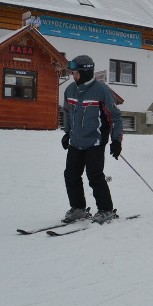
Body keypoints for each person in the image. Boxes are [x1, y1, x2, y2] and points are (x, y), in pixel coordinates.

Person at [61, 55, 123, 224]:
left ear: (86, 72)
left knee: (94, 175)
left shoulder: (101, 90)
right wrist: (67, 133)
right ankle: (78, 208)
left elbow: (115, 116)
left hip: (95, 141)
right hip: (76, 141)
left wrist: (116, 140)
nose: (73, 76)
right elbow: (67, 113)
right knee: (71, 175)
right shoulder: (70, 90)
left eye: (76, 73)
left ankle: (106, 209)